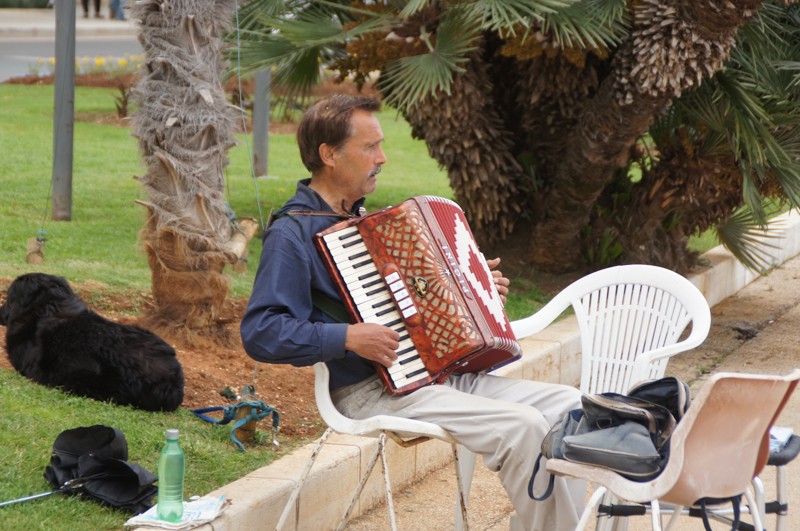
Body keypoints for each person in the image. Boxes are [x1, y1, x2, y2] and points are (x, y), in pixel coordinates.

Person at [240, 94, 585, 530]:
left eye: (380, 145)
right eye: (370, 147)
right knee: (524, 426)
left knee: (571, 408)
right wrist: (347, 338)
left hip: (432, 376)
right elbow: (261, 330)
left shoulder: (365, 223)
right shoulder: (292, 234)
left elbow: (419, 302)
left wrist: (476, 288)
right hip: (371, 390)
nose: (382, 158)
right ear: (329, 154)